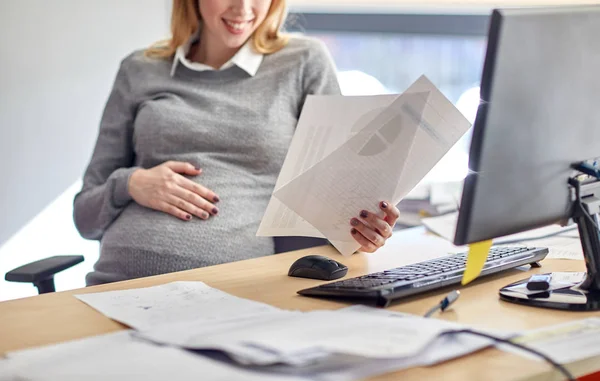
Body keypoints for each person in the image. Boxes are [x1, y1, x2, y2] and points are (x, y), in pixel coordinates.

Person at [73, 0, 400, 286]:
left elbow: (337, 199)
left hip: (232, 291)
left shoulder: (303, 62)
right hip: (117, 283)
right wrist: (131, 183)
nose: (243, 9)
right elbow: (84, 216)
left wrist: (360, 233)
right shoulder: (139, 69)